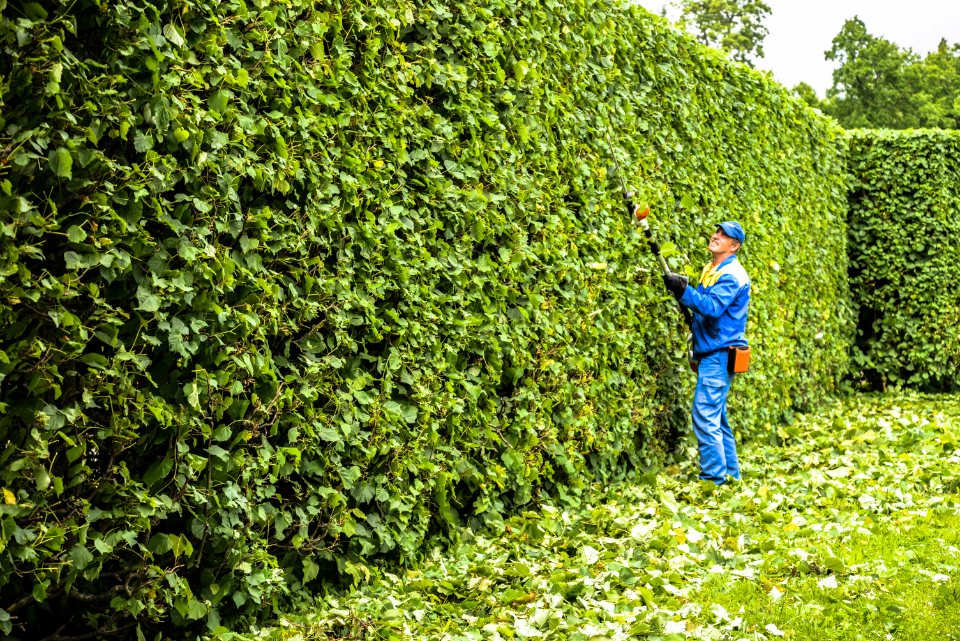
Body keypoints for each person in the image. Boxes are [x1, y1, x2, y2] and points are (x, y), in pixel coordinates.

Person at [662, 221, 750, 485]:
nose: (717, 236)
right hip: (711, 351)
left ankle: (713, 481)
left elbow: (711, 307)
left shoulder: (733, 274)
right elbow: (701, 307)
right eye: (718, 231)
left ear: (735, 247)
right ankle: (731, 477)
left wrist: (683, 290)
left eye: (726, 236)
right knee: (716, 417)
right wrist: (684, 291)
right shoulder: (712, 269)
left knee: (704, 414)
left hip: (720, 354)